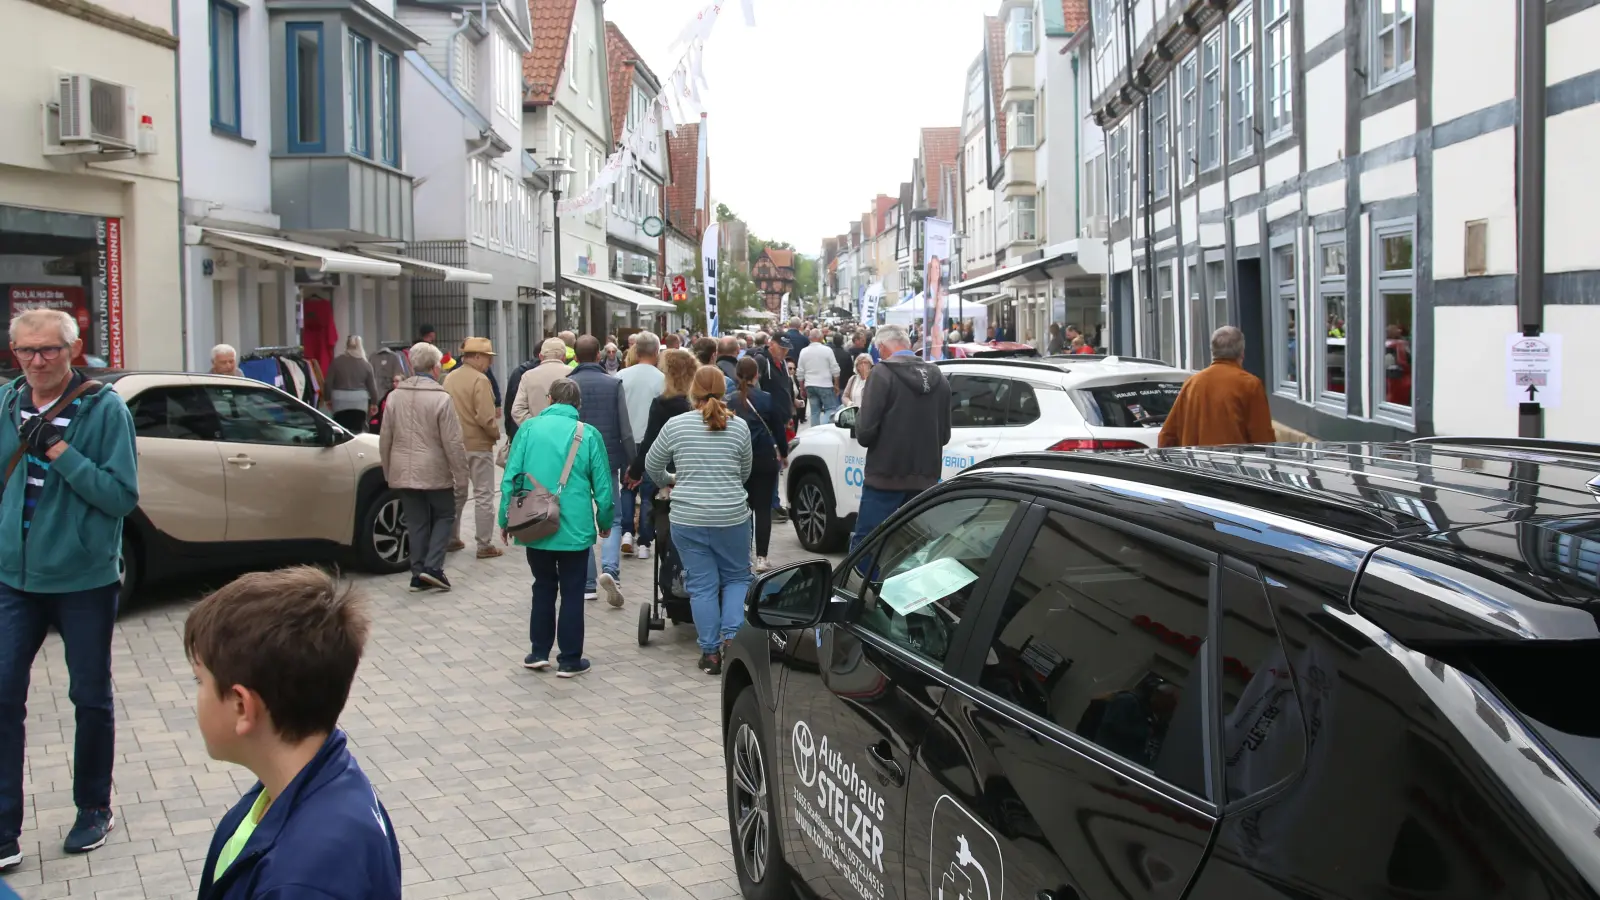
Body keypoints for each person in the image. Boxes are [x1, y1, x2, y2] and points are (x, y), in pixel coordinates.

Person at [0, 309, 138, 870]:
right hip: (14, 577)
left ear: (73, 349)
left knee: (89, 697)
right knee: (4, 696)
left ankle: (93, 808)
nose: (37, 361)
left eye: (49, 350)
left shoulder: (104, 410)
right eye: (26, 351)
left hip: (83, 578)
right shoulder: (8, 404)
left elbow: (120, 495)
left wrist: (59, 452)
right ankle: (5, 826)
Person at [184, 567, 400, 900]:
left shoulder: (303, 882)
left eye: (200, 681)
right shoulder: (306, 780)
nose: (196, 696)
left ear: (242, 706)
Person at [499, 378, 613, 678]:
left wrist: (504, 519)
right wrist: (604, 521)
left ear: (549, 399)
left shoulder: (529, 429)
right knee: (573, 591)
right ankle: (570, 659)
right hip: (574, 525)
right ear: (578, 404)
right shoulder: (587, 434)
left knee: (543, 586)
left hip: (535, 521)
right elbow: (603, 485)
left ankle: (538, 651)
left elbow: (511, 476)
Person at [645, 366, 752, 676]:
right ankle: (732, 640)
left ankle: (710, 653)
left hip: (688, 516)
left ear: (692, 392)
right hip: (731, 515)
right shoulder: (739, 427)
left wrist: (672, 479)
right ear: (725, 391)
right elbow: (744, 473)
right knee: (735, 578)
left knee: (702, 585)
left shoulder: (676, 425)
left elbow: (653, 466)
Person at [849, 323, 951, 551]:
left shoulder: (882, 374)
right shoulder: (939, 378)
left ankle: (856, 587)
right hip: (925, 479)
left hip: (885, 478)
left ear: (883, 347)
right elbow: (944, 435)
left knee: (868, 546)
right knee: (913, 549)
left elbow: (865, 433)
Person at [380, 342, 469, 592]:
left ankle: (417, 574)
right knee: (445, 514)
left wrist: (388, 470)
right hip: (434, 470)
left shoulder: (395, 396)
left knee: (416, 522)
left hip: (402, 470)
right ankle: (433, 567)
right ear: (435, 367)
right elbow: (452, 442)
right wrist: (462, 476)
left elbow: (385, 436)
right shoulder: (441, 398)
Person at [568, 335, 634, 607]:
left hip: (575, 460)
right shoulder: (613, 383)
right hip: (608, 459)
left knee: (581, 518)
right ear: (598, 355)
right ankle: (611, 570)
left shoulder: (566, 384)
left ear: (575, 354)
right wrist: (632, 462)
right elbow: (625, 428)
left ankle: (587, 583)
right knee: (614, 517)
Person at [1158, 326, 1277, 448]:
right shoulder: (1249, 384)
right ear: (1242, 352)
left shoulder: (1192, 383)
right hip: (1233, 464)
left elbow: (1167, 435)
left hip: (1194, 463)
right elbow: (1262, 436)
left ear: (1213, 351)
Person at [442, 337, 502, 560]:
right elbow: (486, 417)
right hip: (478, 444)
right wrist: (496, 433)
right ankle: (484, 544)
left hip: (454, 444)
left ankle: (451, 537)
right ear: (476, 356)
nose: (490, 363)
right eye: (488, 357)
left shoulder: (449, 378)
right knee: (484, 494)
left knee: (457, 492)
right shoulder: (480, 379)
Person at [727, 357, 784, 572]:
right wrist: (784, 453)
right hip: (763, 459)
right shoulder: (766, 399)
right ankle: (762, 557)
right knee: (762, 509)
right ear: (756, 375)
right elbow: (778, 429)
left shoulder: (729, 401)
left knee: (742, 509)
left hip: (738, 460)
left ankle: (742, 555)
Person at [616, 332, 664, 561]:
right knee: (648, 492)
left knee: (627, 487)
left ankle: (626, 532)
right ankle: (645, 541)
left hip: (626, 439)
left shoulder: (621, 376)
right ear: (656, 352)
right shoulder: (662, 379)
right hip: (652, 442)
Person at [751, 334, 796, 522]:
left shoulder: (782, 364)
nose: (784, 352)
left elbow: (784, 388)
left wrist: (791, 409)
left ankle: (773, 502)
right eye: (781, 348)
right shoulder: (762, 360)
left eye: (787, 349)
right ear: (772, 344)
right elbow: (757, 389)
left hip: (781, 419)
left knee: (777, 463)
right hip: (767, 420)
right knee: (773, 461)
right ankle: (772, 504)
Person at [510, 338, 573, 433]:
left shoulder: (528, 376)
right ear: (564, 357)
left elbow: (517, 410)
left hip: (537, 433)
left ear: (540, 356)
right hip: (567, 432)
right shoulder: (573, 373)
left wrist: (535, 426)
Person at [326, 335, 380, 434]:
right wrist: (374, 403)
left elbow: (328, 382)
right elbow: (372, 387)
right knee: (357, 429)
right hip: (359, 400)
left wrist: (328, 398)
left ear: (346, 346)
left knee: (340, 427)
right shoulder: (366, 365)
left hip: (339, 399)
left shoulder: (336, 362)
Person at [796, 328, 841, 426]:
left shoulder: (803, 351)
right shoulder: (827, 350)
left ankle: (814, 432)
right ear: (821, 338)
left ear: (809, 338)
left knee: (814, 412)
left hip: (810, 385)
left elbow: (800, 372)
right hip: (825, 384)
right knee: (830, 409)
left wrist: (802, 387)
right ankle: (824, 428)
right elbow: (835, 369)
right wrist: (836, 384)